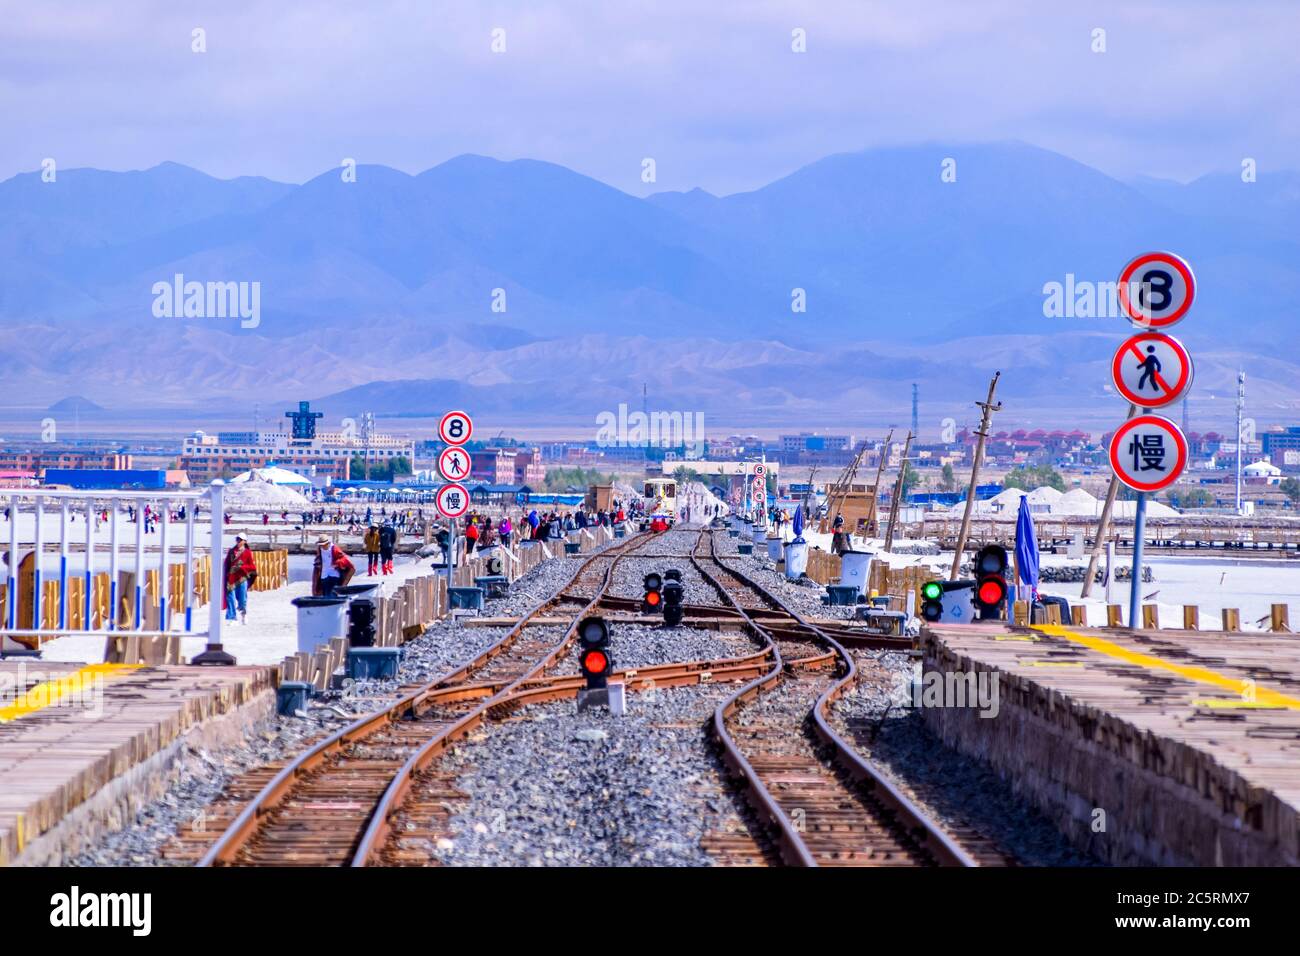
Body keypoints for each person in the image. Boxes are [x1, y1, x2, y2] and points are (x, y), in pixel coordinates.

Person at [223, 534, 257, 624]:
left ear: (244, 541)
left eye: (240, 539)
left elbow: (251, 566)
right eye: (237, 539)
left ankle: (243, 614)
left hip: (242, 579)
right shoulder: (231, 551)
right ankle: (231, 617)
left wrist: (241, 567)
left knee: (242, 599)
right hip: (231, 578)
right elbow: (226, 564)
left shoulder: (247, 552)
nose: (238, 541)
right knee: (230, 598)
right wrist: (226, 573)